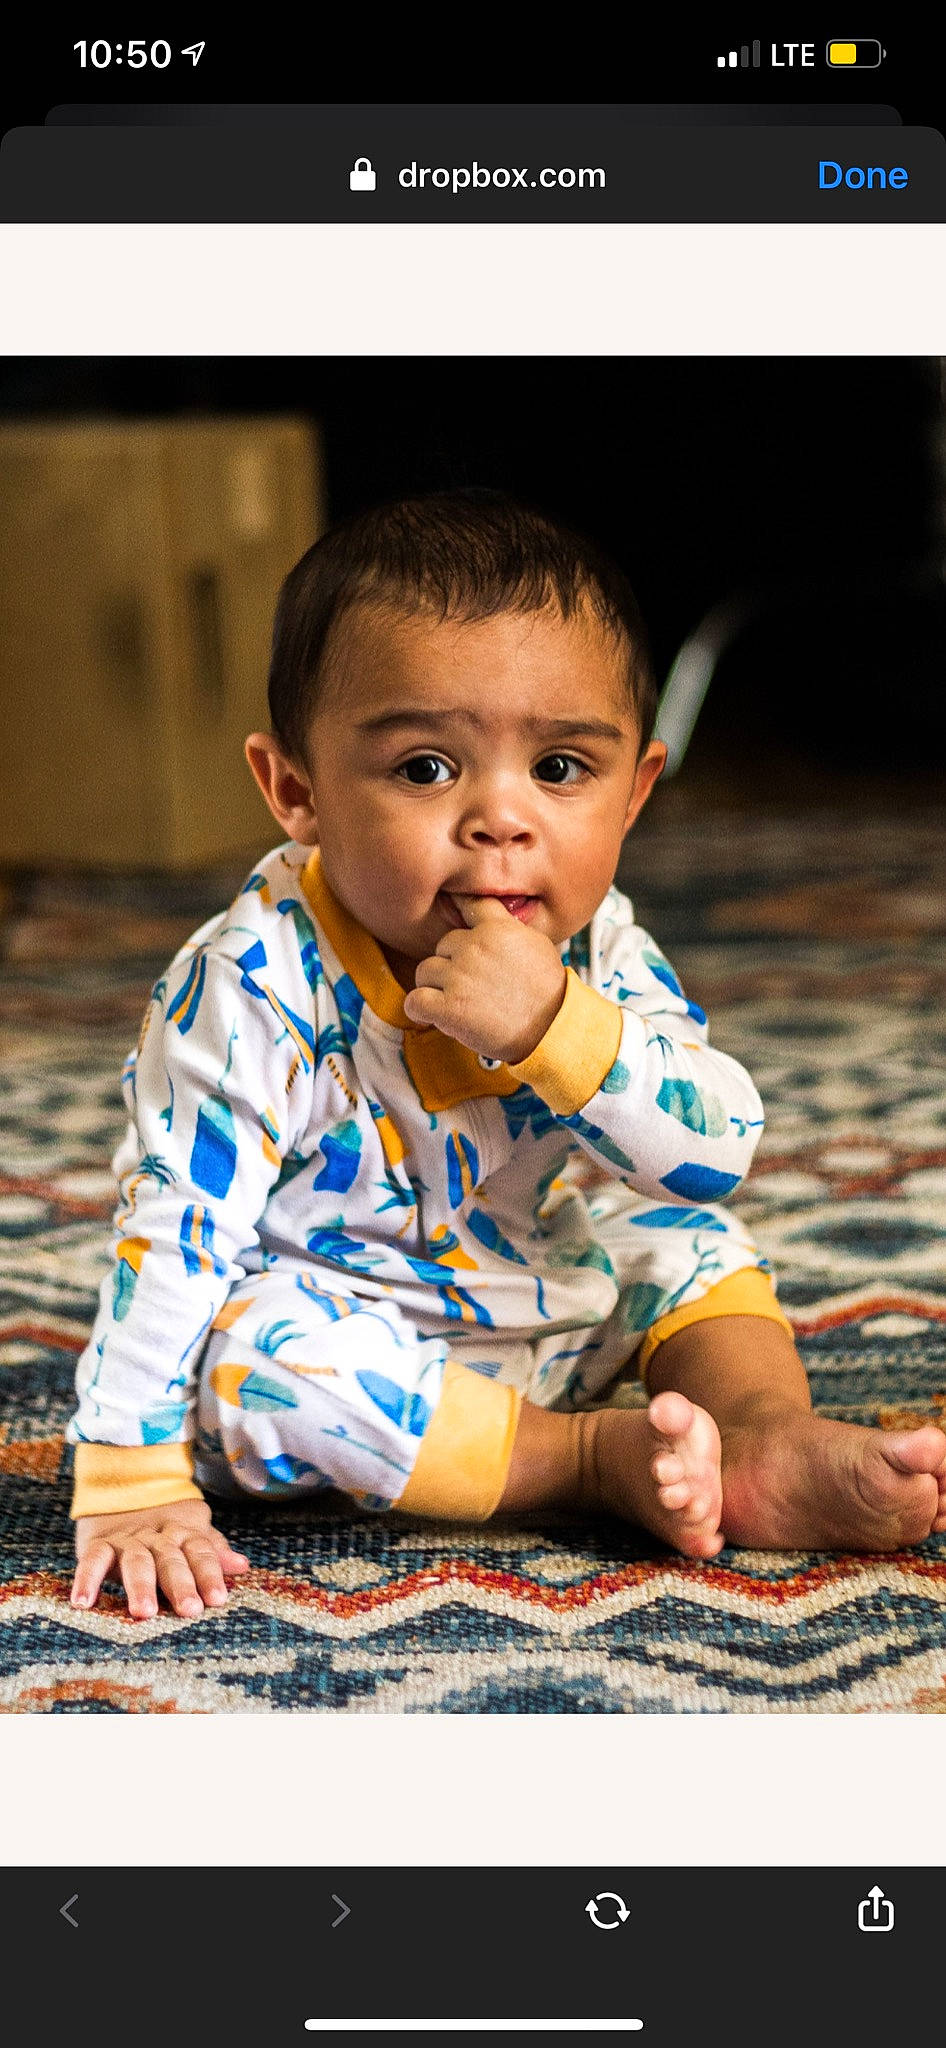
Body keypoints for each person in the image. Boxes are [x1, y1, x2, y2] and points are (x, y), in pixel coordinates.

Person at [68, 490, 946, 1622]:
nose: (500, 818)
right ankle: (590, 1462)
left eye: (562, 769)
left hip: (544, 1297)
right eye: (426, 767)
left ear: (635, 792)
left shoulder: (595, 940)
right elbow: (178, 1228)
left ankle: (760, 1439)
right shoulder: (251, 980)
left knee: (673, 1227)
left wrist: (558, 1028)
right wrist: (130, 1474)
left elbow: (716, 1145)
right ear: (298, 792)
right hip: (352, 1346)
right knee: (251, 1362)